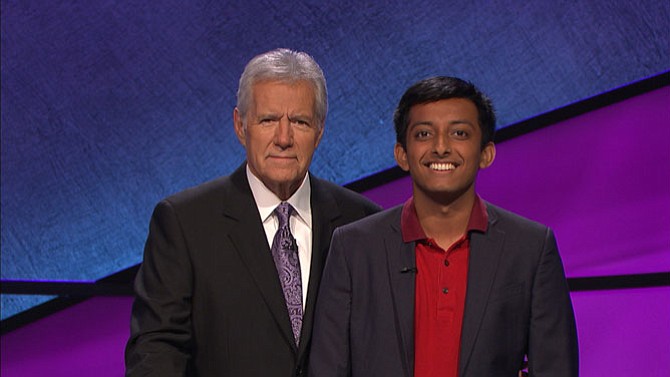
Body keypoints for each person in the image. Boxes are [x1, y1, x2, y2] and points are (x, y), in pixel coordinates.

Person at [125, 48, 381, 377]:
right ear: (240, 126)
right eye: (268, 120)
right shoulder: (185, 223)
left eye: (300, 122)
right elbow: (156, 350)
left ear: (319, 131)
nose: (284, 138)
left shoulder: (361, 221)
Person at [308, 76, 579, 377]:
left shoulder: (531, 248)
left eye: (459, 133)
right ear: (402, 155)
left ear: (486, 153)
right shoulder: (353, 248)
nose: (440, 147)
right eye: (424, 134)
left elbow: (556, 368)